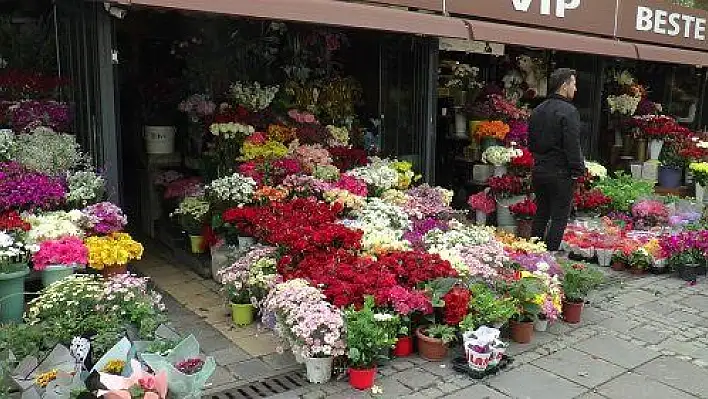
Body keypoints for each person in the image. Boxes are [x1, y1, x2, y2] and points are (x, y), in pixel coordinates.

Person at [528, 68, 586, 252]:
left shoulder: (538, 109)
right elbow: (572, 144)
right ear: (564, 85)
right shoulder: (569, 111)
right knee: (559, 216)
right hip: (561, 172)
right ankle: (550, 256)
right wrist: (578, 170)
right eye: (574, 84)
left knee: (541, 213)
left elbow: (531, 143)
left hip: (539, 169)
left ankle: (534, 253)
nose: (575, 89)